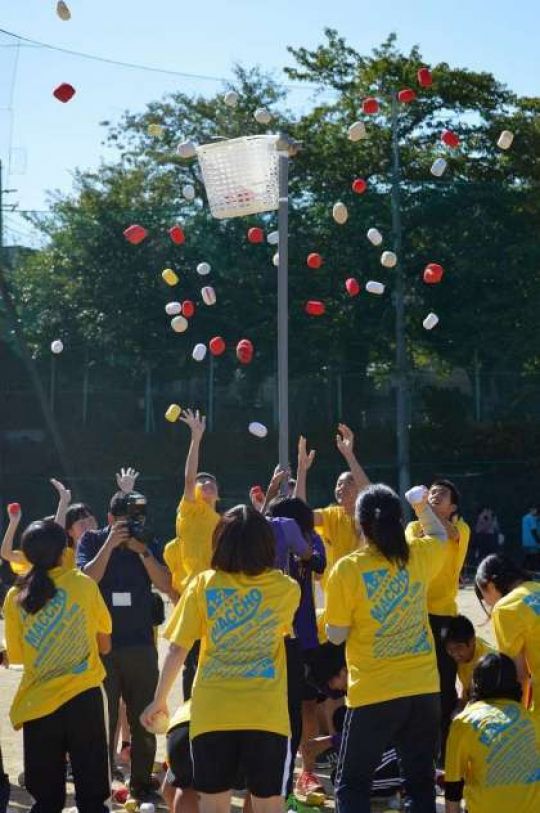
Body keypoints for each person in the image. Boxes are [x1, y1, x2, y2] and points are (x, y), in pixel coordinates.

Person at [141, 505, 300, 813]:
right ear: (267, 545)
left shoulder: (202, 584)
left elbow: (178, 649)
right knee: (270, 807)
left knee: (213, 807)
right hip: (265, 714)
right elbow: (282, 629)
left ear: (219, 543)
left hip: (211, 713)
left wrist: (159, 700)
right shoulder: (286, 589)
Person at [325, 483, 448, 813]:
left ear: (360, 524)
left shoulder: (348, 568)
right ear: (398, 519)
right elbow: (440, 537)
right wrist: (421, 506)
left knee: (352, 784)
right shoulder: (417, 555)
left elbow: (336, 636)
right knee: (420, 781)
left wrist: (327, 617)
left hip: (373, 692)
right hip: (423, 688)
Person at [3, 519, 112, 813]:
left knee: (45, 800)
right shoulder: (83, 584)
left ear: (25, 553)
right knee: (92, 796)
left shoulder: (15, 596)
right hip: (84, 700)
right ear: (65, 550)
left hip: (39, 706)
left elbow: (16, 656)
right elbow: (105, 643)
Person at [77, 490, 171, 801]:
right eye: (124, 521)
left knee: (143, 718)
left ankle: (141, 783)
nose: (131, 525)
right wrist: (110, 544)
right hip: (102, 646)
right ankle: (99, 784)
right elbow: (86, 579)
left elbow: (166, 584)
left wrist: (142, 551)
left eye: (135, 520)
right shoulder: (92, 539)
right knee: (103, 720)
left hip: (140, 644)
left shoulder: (146, 540)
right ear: (109, 519)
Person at [266, 496, 326, 799]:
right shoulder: (266, 539)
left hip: (303, 635)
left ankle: (308, 768)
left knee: (305, 704)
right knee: (281, 706)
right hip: (276, 636)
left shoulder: (310, 538)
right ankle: (279, 777)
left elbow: (320, 566)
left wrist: (304, 553)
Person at [406, 478, 471, 760]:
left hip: (443, 615)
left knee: (445, 685)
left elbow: (449, 534)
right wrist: (424, 512)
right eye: (431, 491)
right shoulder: (412, 527)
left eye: (441, 494)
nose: (433, 494)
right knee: (417, 683)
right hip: (415, 615)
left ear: (453, 506)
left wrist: (424, 509)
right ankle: (419, 749)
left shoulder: (461, 528)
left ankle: (443, 751)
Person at [307, 642, 404, 806]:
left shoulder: (365, 688)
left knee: (345, 783)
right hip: (388, 749)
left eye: (330, 682)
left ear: (343, 671)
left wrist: (329, 742)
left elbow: (366, 735)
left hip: (398, 753)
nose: (331, 688)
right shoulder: (358, 684)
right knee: (341, 775)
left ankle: (402, 784)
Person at [445, 653, 540, 813]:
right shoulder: (532, 720)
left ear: (476, 683)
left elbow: (453, 787)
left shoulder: (463, 722)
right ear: (516, 683)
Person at [173, 408, 220, 699]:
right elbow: (190, 478)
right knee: (190, 662)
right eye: (202, 481)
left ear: (218, 494)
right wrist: (196, 437)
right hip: (195, 594)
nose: (204, 483)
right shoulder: (190, 510)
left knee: (213, 659)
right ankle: (188, 719)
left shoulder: (223, 522)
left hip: (219, 596)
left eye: (211, 482)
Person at [295, 427, 369, 592]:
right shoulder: (333, 515)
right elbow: (300, 516)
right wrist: (301, 470)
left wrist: (349, 455)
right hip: (337, 595)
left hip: (365, 593)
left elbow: (369, 494)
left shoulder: (369, 516)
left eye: (349, 482)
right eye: (339, 483)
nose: (342, 487)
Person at [475, 554, 540, 713]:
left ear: (490, 586)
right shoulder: (536, 588)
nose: (488, 603)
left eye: (483, 596)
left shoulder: (505, 608)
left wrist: (519, 719)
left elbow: (518, 676)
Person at [1, 479, 74, 574]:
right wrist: (13, 522)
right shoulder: (29, 557)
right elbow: (6, 553)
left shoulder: (67, 554)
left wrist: (63, 502)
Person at [441, 614, 495, 703]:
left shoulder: (488, 663)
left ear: (472, 641)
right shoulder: (460, 656)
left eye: (459, 647)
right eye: (450, 649)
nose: (455, 654)